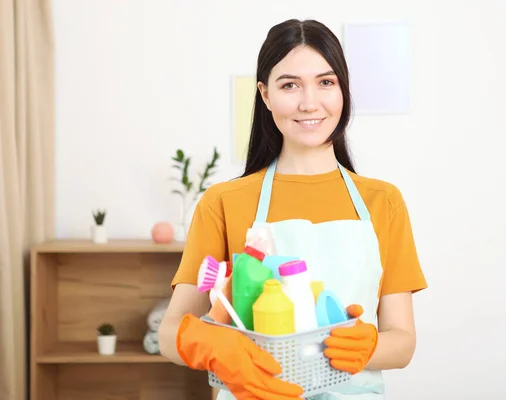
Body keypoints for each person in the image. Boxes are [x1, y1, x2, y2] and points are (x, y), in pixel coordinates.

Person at [158, 18, 427, 400]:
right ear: (265, 95)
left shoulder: (383, 202)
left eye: (326, 82)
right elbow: (169, 332)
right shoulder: (223, 202)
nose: (309, 102)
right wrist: (208, 345)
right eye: (289, 85)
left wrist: (369, 347)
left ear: (343, 92)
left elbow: (403, 342)